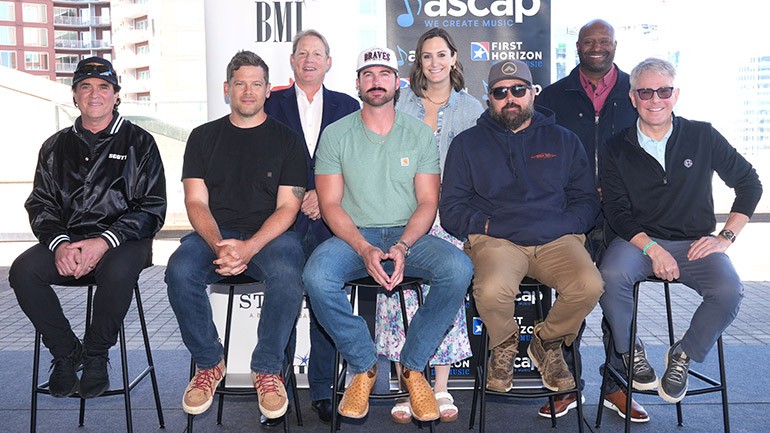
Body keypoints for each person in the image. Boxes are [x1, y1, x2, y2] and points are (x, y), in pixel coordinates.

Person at [302, 46, 473, 423]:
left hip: (406, 234)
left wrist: (403, 244)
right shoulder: (335, 134)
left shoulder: (419, 134)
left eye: (383, 74)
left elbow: (429, 202)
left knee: (458, 268)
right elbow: (330, 205)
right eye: (368, 74)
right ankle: (364, 365)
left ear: (398, 84)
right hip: (355, 234)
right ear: (358, 83)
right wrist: (363, 247)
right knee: (316, 275)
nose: (375, 82)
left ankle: (413, 368)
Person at [600, 57, 762, 404]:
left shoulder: (702, 135)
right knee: (609, 275)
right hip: (638, 243)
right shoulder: (615, 147)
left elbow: (749, 184)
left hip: (694, 244)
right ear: (633, 97)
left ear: (676, 95)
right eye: (646, 91)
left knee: (729, 290)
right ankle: (630, 350)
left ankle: (684, 354)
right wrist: (652, 249)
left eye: (664, 90)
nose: (655, 99)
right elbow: (616, 211)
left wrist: (725, 237)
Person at [440, 59, 603, 397]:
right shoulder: (467, 144)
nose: (510, 98)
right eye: (501, 92)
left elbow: (586, 200)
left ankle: (547, 342)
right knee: (490, 290)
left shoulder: (564, 140)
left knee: (589, 284)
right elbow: (452, 210)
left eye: (518, 90)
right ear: (489, 98)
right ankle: (504, 343)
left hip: (556, 240)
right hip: (497, 240)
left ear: (533, 93)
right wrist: (486, 225)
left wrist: (563, 224)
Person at [9, 57, 166, 399]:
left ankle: (96, 353)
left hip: (123, 242)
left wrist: (105, 241)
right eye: (86, 87)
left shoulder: (140, 143)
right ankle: (67, 353)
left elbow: (152, 208)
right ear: (75, 95)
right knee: (22, 271)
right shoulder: (54, 146)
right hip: (68, 243)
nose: (95, 94)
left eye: (103, 87)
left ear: (116, 95)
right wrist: (60, 244)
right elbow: (41, 204)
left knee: (119, 267)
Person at [165, 50, 307, 421]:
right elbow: (195, 201)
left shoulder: (288, 141)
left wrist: (249, 247)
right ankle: (210, 363)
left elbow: (288, 208)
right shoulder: (202, 137)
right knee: (179, 269)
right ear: (227, 88)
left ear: (267, 91)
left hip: (269, 236)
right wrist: (219, 246)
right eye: (240, 83)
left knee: (290, 272)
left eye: (256, 84)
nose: (248, 91)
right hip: (216, 233)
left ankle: (267, 369)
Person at [536, 19, 647, 421]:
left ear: (615, 45)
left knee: (620, 303)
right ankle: (566, 387)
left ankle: (617, 386)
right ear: (578, 46)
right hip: (570, 217)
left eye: (603, 41)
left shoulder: (639, 92)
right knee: (572, 300)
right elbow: (538, 159)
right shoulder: (551, 97)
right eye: (588, 41)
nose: (596, 47)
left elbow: (651, 151)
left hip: (623, 218)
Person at [374, 27, 482, 424]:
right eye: (426, 56)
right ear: (418, 63)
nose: (434, 63)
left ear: (454, 58)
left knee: (444, 296)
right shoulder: (401, 106)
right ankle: (408, 384)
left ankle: (439, 387)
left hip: (450, 216)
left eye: (441, 55)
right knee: (401, 295)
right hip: (403, 215)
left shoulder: (473, 110)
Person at [263, 29, 360, 425]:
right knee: (282, 301)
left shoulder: (347, 105)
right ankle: (276, 391)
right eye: (302, 53)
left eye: (316, 54)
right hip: (280, 221)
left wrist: (324, 194)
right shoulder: (270, 103)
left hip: (329, 220)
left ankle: (322, 389)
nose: (309, 60)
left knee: (324, 301)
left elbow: (357, 162)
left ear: (328, 62)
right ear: (292, 60)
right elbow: (261, 160)